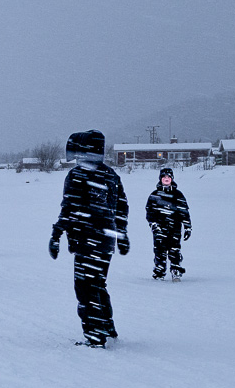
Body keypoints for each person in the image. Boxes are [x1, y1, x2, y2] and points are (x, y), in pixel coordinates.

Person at [49, 130, 129, 346]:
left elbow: (70, 209)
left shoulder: (77, 175)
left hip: (87, 240)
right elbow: (122, 207)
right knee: (98, 284)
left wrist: (56, 233)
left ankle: (95, 335)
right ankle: (107, 327)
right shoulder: (110, 175)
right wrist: (121, 233)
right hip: (105, 242)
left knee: (85, 288)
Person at [145, 167, 191, 280]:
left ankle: (175, 270)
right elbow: (149, 212)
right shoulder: (154, 195)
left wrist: (187, 226)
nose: (166, 179)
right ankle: (159, 271)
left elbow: (184, 211)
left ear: (172, 179)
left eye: (168, 177)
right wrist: (154, 224)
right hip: (159, 228)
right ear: (160, 179)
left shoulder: (178, 195)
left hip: (174, 227)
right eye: (164, 177)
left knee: (174, 249)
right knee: (159, 250)